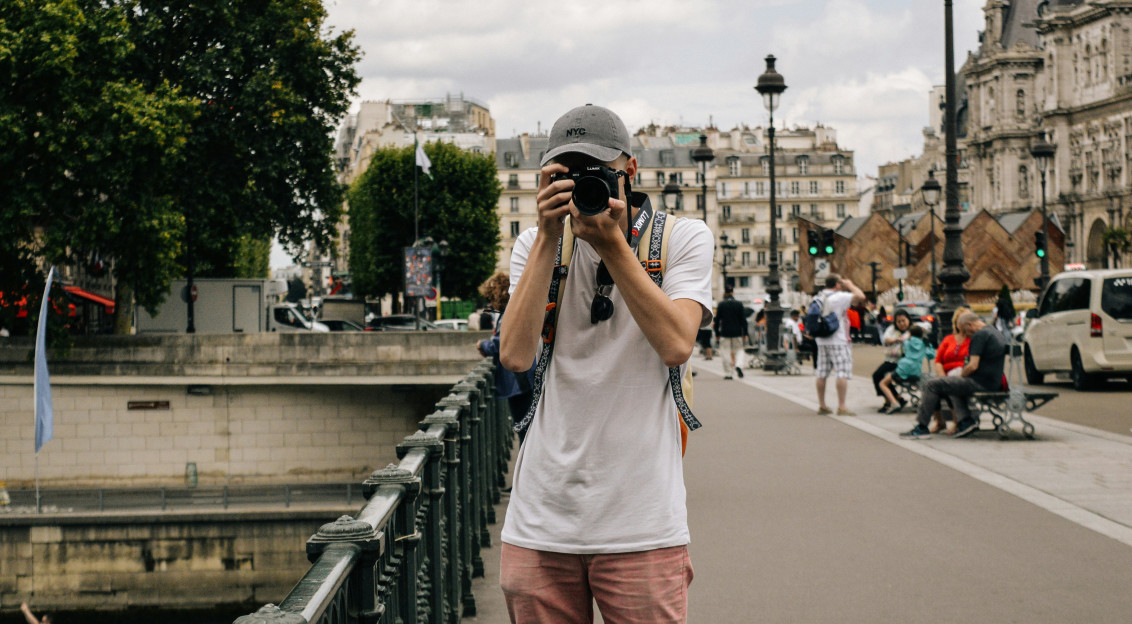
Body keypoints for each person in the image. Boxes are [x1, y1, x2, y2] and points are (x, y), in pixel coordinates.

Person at [497, 104, 713, 622]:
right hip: (540, 521)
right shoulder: (535, 244)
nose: (581, 185)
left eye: (594, 170)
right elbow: (514, 353)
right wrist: (550, 236)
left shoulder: (682, 238)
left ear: (629, 171)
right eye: (567, 173)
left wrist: (613, 245)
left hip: (642, 522)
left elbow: (677, 344)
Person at [901, 312, 1007, 440]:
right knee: (952, 385)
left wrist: (961, 375)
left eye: (964, 331)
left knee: (931, 384)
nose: (965, 334)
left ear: (970, 325)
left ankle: (921, 427)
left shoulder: (980, 335)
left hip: (981, 382)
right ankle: (965, 421)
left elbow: (973, 365)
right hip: (993, 381)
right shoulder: (993, 331)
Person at [476, 272, 535, 447]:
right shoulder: (514, 307)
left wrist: (482, 346)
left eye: (490, 298)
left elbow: (502, 343)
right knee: (527, 427)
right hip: (524, 376)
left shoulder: (509, 312)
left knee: (523, 427)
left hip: (519, 380)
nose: (490, 303)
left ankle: (527, 470)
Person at [812, 274, 867, 416]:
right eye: (840, 283)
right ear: (837, 284)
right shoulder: (839, 297)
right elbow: (861, 297)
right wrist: (850, 285)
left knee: (821, 373)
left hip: (822, 340)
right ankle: (842, 407)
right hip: (838, 340)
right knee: (841, 372)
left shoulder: (818, 297)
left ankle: (822, 405)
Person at [927, 306, 973, 434]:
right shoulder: (948, 339)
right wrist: (942, 377)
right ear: (956, 323)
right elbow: (938, 361)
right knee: (932, 387)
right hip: (947, 374)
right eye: (960, 320)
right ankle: (940, 422)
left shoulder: (973, 339)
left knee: (949, 387)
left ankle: (956, 421)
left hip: (963, 376)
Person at [878, 325, 934, 414]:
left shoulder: (907, 341)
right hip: (916, 371)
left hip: (903, 368)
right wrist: (928, 345)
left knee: (883, 383)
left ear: (910, 334)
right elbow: (931, 355)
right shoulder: (924, 343)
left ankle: (894, 402)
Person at [872, 310, 912, 411]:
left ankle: (890, 401)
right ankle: (895, 398)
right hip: (891, 360)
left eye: (903, 320)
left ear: (908, 320)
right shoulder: (892, 329)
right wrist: (895, 340)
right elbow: (885, 338)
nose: (902, 324)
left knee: (881, 377)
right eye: (899, 322)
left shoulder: (912, 331)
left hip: (903, 362)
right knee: (877, 375)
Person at [714, 289, 748, 379]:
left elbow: (717, 320)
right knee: (740, 350)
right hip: (737, 332)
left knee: (725, 352)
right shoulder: (739, 304)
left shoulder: (721, 304)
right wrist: (745, 333)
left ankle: (728, 373)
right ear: (733, 293)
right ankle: (739, 365)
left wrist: (717, 333)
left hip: (725, 332)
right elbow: (743, 320)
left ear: (725, 293)